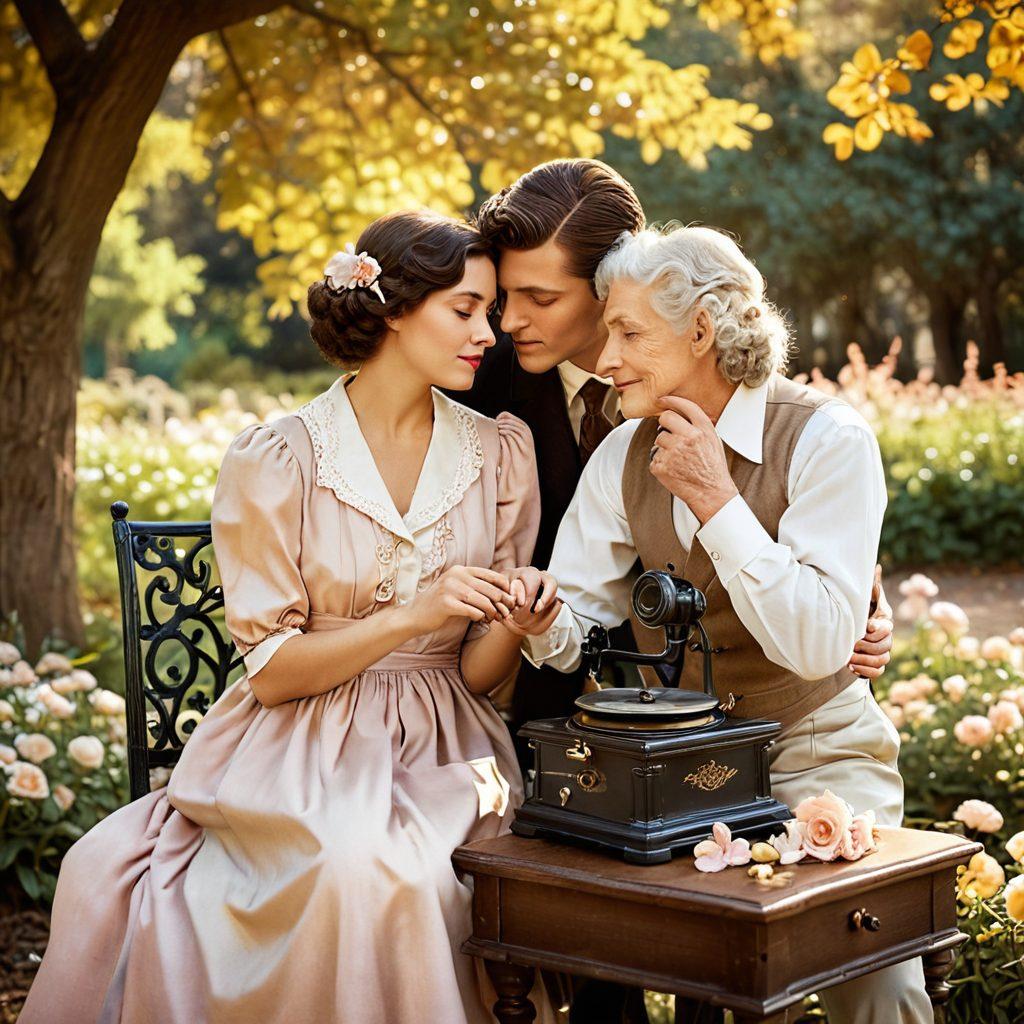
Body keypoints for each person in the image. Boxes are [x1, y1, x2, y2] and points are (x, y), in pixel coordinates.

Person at [20, 211, 559, 1024]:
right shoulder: (280, 457)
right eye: (465, 309)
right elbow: (272, 676)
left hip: (451, 748)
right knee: (351, 866)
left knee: (408, 871)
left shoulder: (500, 454)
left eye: (488, 310)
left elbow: (479, 680)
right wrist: (413, 616)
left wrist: (515, 622)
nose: (489, 333)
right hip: (298, 741)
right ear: (392, 311)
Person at [521, 224, 931, 1024]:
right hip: (679, 767)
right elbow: (582, 622)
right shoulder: (621, 456)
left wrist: (717, 500)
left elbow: (817, 645)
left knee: (878, 975)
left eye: (629, 332)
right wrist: (539, 620)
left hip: (819, 753)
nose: (605, 359)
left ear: (702, 330)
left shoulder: (827, 439)